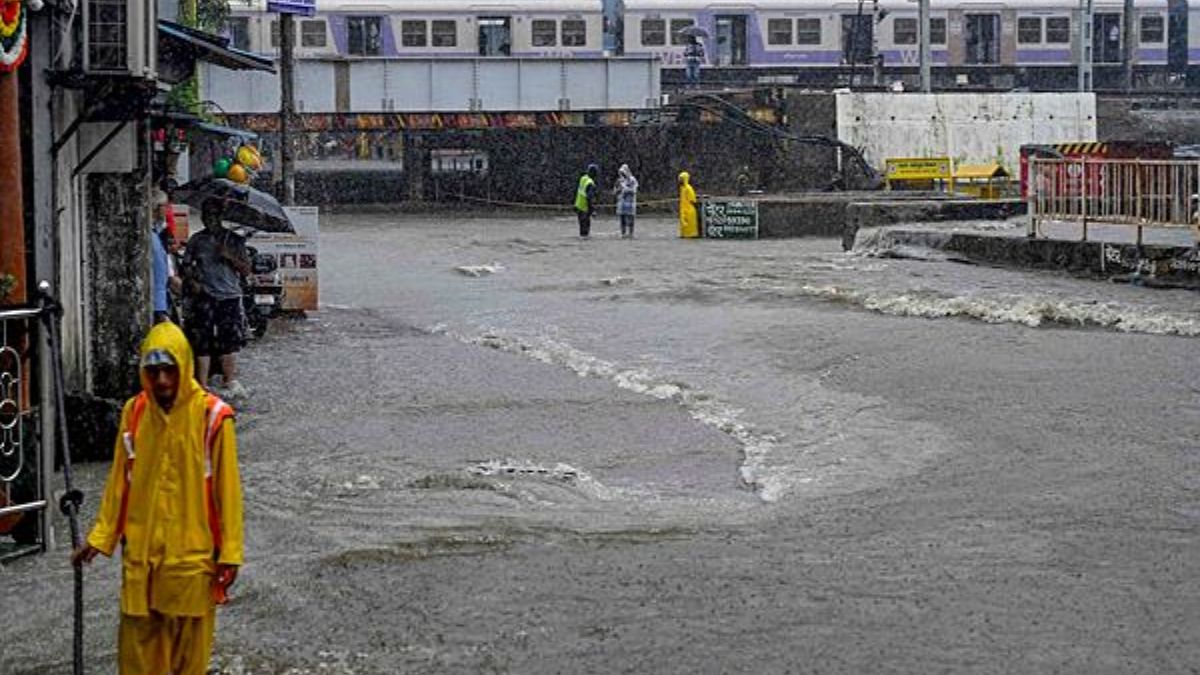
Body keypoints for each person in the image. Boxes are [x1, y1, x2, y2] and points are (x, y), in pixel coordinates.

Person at [72, 322, 243, 675]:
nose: (162, 380)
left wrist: (230, 553)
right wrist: (99, 537)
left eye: (169, 370)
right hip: (142, 564)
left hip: (191, 565)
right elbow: (120, 480)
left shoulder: (212, 417)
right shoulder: (135, 413)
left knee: (187, 664)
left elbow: (228, 493)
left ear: (184, 367)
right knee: (136, 663)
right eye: (154, 372)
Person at [182, 200, 251, 398]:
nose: (208, 219)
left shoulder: (235, 241)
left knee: (229, 339)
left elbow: (246, 270)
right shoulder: (197, 240)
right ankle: (202, 385)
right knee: (202, 339)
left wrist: (229, 256)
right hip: (205, 295)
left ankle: (229, 380)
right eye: (205, 215)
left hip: (229, 296)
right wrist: (193, 280)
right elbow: (186, 265)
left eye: (213, 215)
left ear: (220, 217)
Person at [150, 191, 175, 324]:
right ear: (156, 208)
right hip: (157, 304)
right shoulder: (152, 237)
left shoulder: (158, 233)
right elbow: (158, 275)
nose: (167, 210)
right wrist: (160, 310)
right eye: (165, 206)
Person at [574, 163, 599, 239]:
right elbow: (589, 198)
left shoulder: (583, 178)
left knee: (581, 229)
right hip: (585, 209)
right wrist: (592, 210)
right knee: (585, 231)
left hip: (578, 207)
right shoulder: (590, 183)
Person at [614, 164, 639, 238]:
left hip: (630, 204)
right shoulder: (619, 180)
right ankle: (623, 234)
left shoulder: (632, 180)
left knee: (631, 220)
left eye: (623, 173)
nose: (622, 174)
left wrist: (624, 188)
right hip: (621, 204)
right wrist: (618, 190)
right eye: (621, 173)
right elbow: (615, 191)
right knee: (622, 220)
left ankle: (631, 234)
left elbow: (634, 190)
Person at [678, 171, 699, 238]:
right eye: (679, 179)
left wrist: (695, 206)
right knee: (684, 224)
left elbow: (692, 200)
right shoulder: (682, 188)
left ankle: (691, 235)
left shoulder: (688, 188)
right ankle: (684, 234)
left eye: (681, 179)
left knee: (689, 225)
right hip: (684, 209)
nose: (680, 181)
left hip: (689, 209)